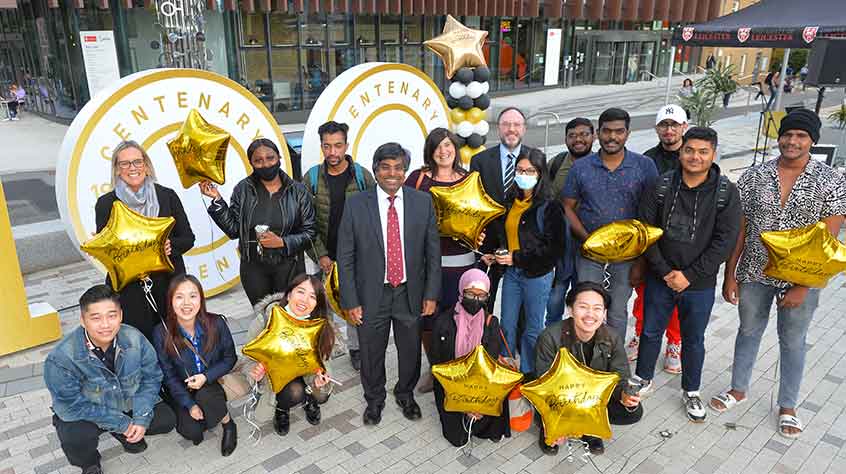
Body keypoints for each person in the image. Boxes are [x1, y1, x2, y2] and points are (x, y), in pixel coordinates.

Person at [711, 109, 846, 439]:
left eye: (801, 136)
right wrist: (731, 274)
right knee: (748, 331)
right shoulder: (755, 176)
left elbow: (828, 242)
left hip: (802, 279)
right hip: (755, 272)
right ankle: (738, 389)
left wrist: (803, 286)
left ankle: (787, 405)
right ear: (779, 137)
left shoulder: (832, 181)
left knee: (793, 341)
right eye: (788, 134)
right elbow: (740, 228)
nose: (792, 141)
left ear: (812, 140)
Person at [634, 127, 741, 422]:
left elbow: (725, 241)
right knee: (650, 331)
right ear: (681, 152)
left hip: (699, 284)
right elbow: (646, 232)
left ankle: (691, 390)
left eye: (703, 151)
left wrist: (689, 276)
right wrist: (666, 271)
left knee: (693, 338)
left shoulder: (725, 192)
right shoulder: (661, 185)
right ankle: (643, 378)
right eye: (690, 150)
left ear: (713, 154)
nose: (695, 157)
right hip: (661, 277)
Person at [337, 142, 441, 425]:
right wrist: (350, 301)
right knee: (371, 351)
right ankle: (374, 400)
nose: (392, 173)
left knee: (410, 350)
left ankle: (405, 394)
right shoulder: (356, 204)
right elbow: (344, 257)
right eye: (385, 167)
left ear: (405, 171)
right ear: (376, 170)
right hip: (372, 295)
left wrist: (431, 293)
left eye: (398, 167)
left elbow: (432, 253)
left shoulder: (422, 202)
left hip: (410, 292)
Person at [45, 285, 176, 474]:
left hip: (126, 401)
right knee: (77, 436)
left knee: (165, 420)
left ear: (121, 315)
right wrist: (121, 423)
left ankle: (125, 432)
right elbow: (70, 405)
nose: (105, 324)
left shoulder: (134, 338)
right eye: (96, 318)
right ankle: (89, 463)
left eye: (112, 315)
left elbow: (151, 378)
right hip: (89, 410)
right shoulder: (61, 358)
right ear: (82, 320)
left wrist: (140, 419)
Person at [562, 108, 659, 342]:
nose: (612, 137)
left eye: (619, 131)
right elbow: (566, 207)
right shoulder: (582, 167)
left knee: (616, 311)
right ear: (598, 133)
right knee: (586, 308)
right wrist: (588, 241)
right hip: (589, 256)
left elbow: (652, 216)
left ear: (627, 133)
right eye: (607, 131)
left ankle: (611, 362)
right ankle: (584, 357)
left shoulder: (644, 166)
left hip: (627, 259)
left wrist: (641, 260)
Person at [95, 141, 195, 342]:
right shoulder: (106, 204)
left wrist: (170, 247)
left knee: (174, 341)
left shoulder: (167, 196)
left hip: (168, 281)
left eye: (137, 162)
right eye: (124, 164)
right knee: (139, 343)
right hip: (130, 288)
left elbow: (187, 238)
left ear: (147, 166)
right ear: (116, 170)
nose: (132, 168)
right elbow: (109, 253)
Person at [200, 138, 316, 306]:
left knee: (289, 317)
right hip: (254, 269)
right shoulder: (242, 190)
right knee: (263, 318)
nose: (266, 164)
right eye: (258, 161)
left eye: (270, 158)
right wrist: (217, 201)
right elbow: (234, 230)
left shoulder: (298, 191)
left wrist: (282, 242)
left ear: (279, 158)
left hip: (290, 267)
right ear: (251, 163)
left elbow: (310, 233)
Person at [481, 148, 565, 375]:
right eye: (520, 170)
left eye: (530, 170)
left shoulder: (549, 206)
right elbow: (505, 237)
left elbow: (554, 249)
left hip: (537, 276)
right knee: (507, 324)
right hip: (512, 274)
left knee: (532, 328)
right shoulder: (510, 201)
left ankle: (530, 372)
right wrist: (495, 253)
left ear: (540, 174)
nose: (524, 174)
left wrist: (517, 258)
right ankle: (508, 368)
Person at [535, 282, 643, 456]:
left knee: (633, 412)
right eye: (583, 307)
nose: (590, 315)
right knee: (541, 408)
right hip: (561, 397)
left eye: (597, 308)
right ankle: (550, 428)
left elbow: (621, 374)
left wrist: (626, 395)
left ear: (604, 312)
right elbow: (544, 384)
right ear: (570, 309)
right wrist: (559, 421)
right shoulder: (550, 337)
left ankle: (590, 430)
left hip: (592, 398)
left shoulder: (612, 337)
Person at [405, 128, 475, 393]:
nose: (443, 151)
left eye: (448, 145)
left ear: (455, 147)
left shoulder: (469, 179)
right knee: (428, 319)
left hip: (463, 263)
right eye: (437, 146)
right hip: (428, 265)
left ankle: (460, 368)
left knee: (462, 318)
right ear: (430, 150)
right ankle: (435, 369)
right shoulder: (418, 178)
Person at [303, 121, 375, 372]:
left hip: (355, 256)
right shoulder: (312, 177)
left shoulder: (363, 176)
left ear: (346, 144)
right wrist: (320, 255)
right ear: (321, 146)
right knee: (321, 306)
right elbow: (306, 223)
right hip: (323, 254)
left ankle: (356, 349)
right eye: (327, 146)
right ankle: (325, 348)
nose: (332, 152)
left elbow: (374, 218)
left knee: (353, 301)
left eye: (337, 145)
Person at [627, 104, 689, 369]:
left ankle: (674, 342)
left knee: (679, 297)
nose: (669, 130)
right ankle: (640, 336)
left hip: (684, 241)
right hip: (652, 240)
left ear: (684, 127)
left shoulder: (694, 157)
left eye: (674, 125)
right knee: (645, 295)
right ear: (657, 129)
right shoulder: (646, 160)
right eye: (664, 125)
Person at [152, 275, 237, 455]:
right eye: (179, 297)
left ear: (201, 299)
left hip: (212, 380)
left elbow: (230, 358)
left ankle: (228, 424)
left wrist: (206, 377)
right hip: (184, 388)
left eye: (193, 296)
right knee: (192, 432)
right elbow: (169, 375)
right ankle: (208, 412)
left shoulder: (216, 323)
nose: (186, 303)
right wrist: (190, 404)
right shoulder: (161, 332)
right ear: (171, 301)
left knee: (206, 396)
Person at [470, 107, 543, 312]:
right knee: (484, 304)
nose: (511, 129)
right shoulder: (480, 161)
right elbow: (475, 204)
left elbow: (541, 201)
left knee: (521, 312)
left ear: (524, 129)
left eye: (516, 124)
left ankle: (515, 345)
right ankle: (484, 342)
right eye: (506, 124)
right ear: (498, 129)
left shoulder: (535, 158)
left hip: (523, 245)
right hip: (489, 247)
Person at [245, 274, 336, 434]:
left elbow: (324, 362)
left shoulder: (319, 327)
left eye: (312, 296)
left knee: (322, 395)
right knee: (294, 392)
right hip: (278, 375)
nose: (304, 300)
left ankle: (310, 399)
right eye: (300, 292)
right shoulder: (266, 320)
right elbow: (248, 360)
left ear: (317, 304)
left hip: (306, 370)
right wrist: (255, 374)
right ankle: (282, 409)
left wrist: (319, 379)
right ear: (289, 294)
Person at [430, 268, 510, 446]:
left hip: (482, 388)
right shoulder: (444, 322)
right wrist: (463, 400)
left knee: (491, 427)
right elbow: (437, 366)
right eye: (470, 293)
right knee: (457, 439)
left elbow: (489, 369)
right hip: (451, 386)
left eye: (481, 296)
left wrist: (476, 402)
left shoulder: (491, 323)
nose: (475, 300)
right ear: (461, 291)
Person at [545, 118, 595, 325]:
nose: (578, 139)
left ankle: (581, 337)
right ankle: (553, 334)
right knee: (555, 296)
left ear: (594, 136)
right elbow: (542, 197)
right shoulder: (556, 164)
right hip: (560, 244)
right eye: (572, 135)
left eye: (584, 134)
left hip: (589, 243)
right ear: (566, 139)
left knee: (585, 295)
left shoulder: (600, 165)